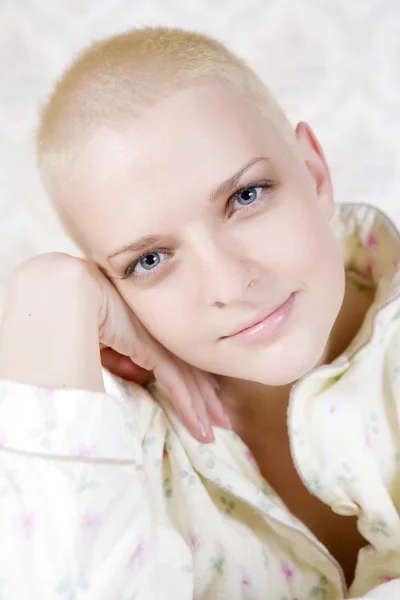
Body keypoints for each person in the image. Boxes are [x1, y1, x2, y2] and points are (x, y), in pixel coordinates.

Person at [0, 26, 399, 600]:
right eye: (151, 259)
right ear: (109, 286)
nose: (230, 283)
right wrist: (49, 290)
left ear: (315, 175)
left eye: (246, 196)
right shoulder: (118, 435)